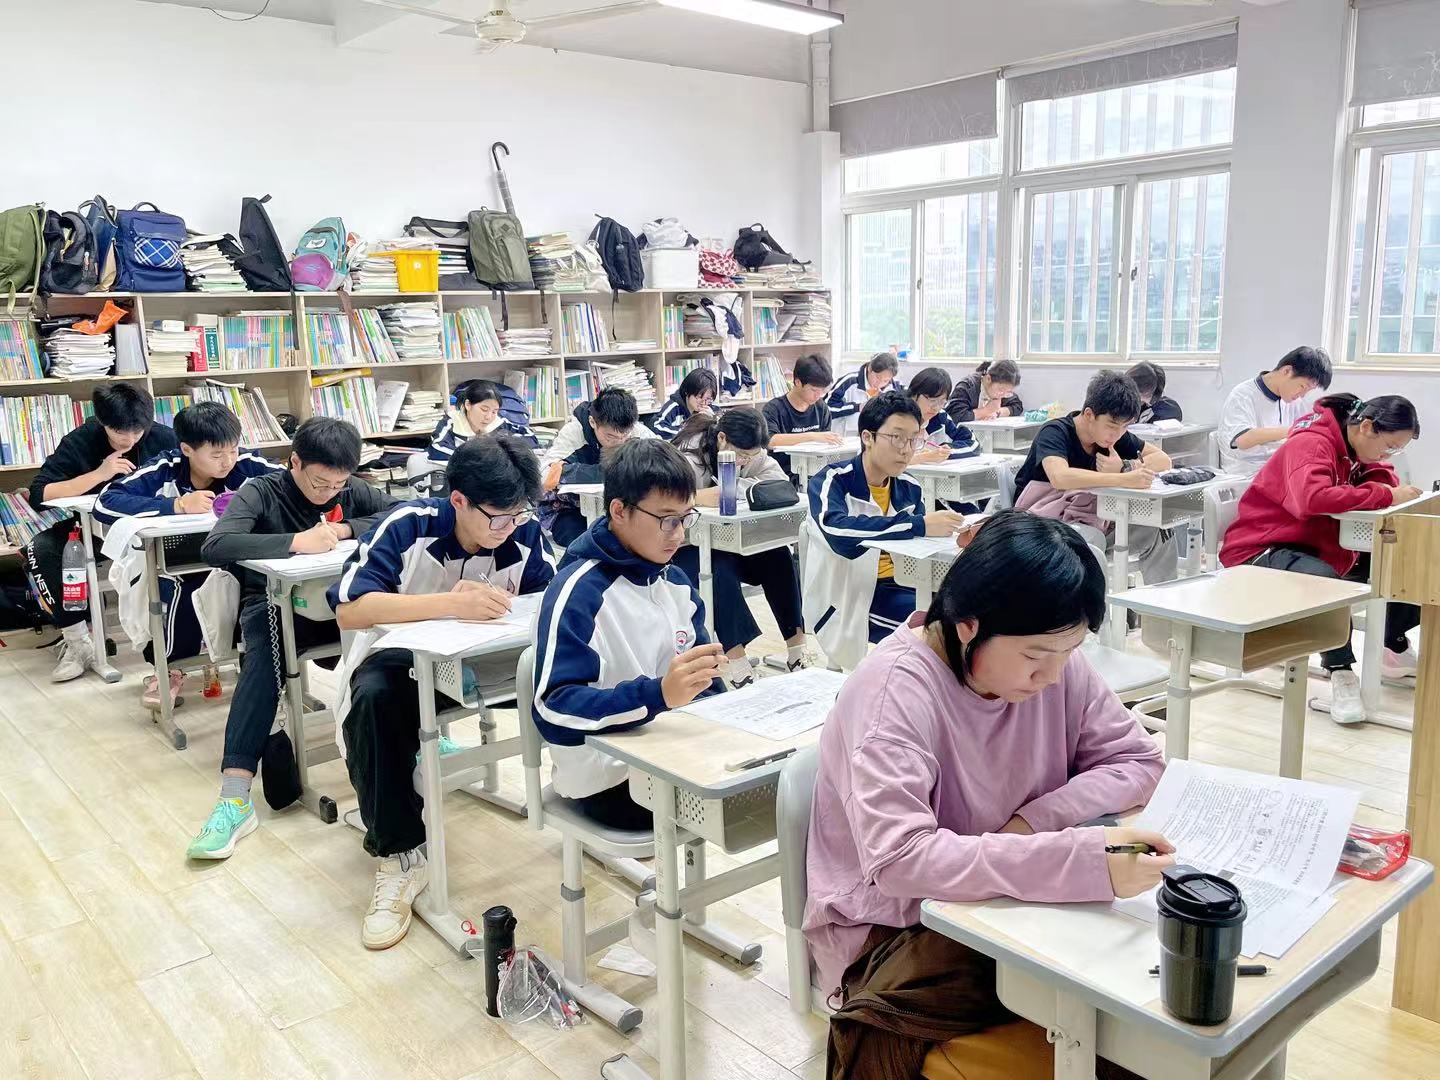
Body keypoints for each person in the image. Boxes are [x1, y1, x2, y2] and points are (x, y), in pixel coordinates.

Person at [805, 511, 1168, 1079]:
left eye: (1070, 651)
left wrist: (1034, 821)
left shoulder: (1053, 660)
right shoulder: (893, 695)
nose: (1053, 676)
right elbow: (901, 862)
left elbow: (1140, 761)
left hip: (1004, 895)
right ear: (968, 626)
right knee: (1125, 1039)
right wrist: (1075, 858)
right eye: (1035, 657)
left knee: (1152, 1008)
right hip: (902, 926)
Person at [328, 434, 555, 949]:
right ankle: (400, 854)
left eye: (518, 515)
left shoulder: (522, 529)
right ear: (458, 500)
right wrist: (448, 604)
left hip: (491, 661)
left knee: (573, 672)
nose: (509, 528)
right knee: (374, 701)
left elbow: (549, 596)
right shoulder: (408, 526)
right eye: (497, 518)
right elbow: (350, 609)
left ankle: (594, 801)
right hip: (405, 663)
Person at [187, 417, 396, 861]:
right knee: (263, 658)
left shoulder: (347, 490)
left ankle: (415, 741)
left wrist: (344, 529)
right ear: (294, 462)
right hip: (270, 604)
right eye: (320, 483)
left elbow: (399, 513)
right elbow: (216, 545)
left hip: (336, 606)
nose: (329, 493)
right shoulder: (260, 491)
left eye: (339, 484)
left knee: (393, 635)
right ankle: (235, 797)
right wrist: (297, 541)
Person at [533, 439, 724, 828]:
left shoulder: (676, 582)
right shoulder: (579, 591)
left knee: (785, 778)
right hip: (608, 774)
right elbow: (554, 708)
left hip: (673, 751)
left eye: (686, 518)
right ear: (619, 511)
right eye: (667, 520)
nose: (679, 535)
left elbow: (705, 681)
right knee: (751, 808)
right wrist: (658, 695)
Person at [1220, 394, 1423, 725]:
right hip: (1261, 548)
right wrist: (1385, 495)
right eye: (1389, 446)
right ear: (1366, 427)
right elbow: (1311, 499)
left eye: (1396, 450)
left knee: (1412, 560)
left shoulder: (1354, 446)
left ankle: (1393, 645)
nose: (1389, 455)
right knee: (1325, 582)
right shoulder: (1312, 443)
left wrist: (1381, 484)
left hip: (1318, 546)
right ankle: (1340, 671)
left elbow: (1384, 474)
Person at [95, 401, 283, 709]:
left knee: (258, 584)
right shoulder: (165, 468)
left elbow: (291, 481)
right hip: (176, 559)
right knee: (182, 587)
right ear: (186, 450)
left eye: (233, 450)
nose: (228, 461)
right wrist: (176, 505)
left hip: (233, 554)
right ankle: (170, 670)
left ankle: (255, 663)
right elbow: (106, 501)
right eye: (216, 455)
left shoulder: (246, 462)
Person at [24, 382, 178, 682]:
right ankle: (78, 642)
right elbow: (40, 494)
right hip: (94, 528)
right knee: (42, 549)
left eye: (138, 431)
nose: (129, 439)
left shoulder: (163, 437)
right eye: (120, 432)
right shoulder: (81, 440)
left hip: (155, 528)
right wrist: (99, 474)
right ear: (102, 421)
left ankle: (180, 637)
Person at [804, 392, 966, 671]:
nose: (906, 449)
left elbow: (920, 543)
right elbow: (838, 533)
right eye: (897, 438)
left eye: (913, 439)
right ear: (868, 437)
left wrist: (955, 537)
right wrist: (919, 524)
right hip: (852, 597)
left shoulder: (910, 487)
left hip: (905, 583)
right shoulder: (833, 481)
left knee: (971, 614)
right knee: (945, 631)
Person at [672, 408, 809, 686]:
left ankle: (797, 651)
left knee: (778, 556)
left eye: (752, 456)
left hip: (729, 541)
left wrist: (736, 487)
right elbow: (669, 500)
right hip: (685, 547)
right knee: (719, 570)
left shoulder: (752, 453)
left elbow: (779, 483)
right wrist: (699, 496)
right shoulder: (689, 458)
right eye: (741, 455)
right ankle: (738, 665)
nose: (746, 461)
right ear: (722, 438)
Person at [1012, 370, 1178, 586]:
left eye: (1125, 426)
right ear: (1089, 414)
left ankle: (1161, 603)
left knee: (1158, 529)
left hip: (1094, 518)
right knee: (1092, 540)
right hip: (1042, 525)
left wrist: (1125, 466)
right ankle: (1095, 607)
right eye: (1112, 426)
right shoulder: (1055, 432)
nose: (1118, 434)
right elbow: (1060, 477)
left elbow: (1163, 460)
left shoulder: (1113, 436)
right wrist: (1125, 478)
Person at [541, 387, 656, 546]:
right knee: (586, 542)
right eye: (610, 436)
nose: (619, 442)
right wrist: (609, 473)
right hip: (570, 509)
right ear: (592, 422)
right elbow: (546, 475)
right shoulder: (574, 432)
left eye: (625, 435)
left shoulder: (636, 431)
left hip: (620, 507)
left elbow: (668, 461)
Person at [1218, 346, 1332, 477]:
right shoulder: (1243, 395)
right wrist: (1295, 430)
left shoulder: (1293, 401)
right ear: (1286, 371)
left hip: (1280, 469)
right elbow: (1242, 440)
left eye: (1308, 391)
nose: (1302, 395)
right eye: (1302, 386)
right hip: (1246, 473)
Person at [763, 353, 840, 482]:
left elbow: (826, 443)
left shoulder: (821, 408)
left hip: (815, 473)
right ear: (798, 382)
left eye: (822, 391)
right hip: (782, 476)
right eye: (814, 390)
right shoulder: (774, 409)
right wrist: (812, 436)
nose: (818, 396)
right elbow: (770, 441)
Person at [427, 379, 538, 463]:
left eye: (494, 411)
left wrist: (504, 449)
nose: (489, 417)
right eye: (484, 409)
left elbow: (530, 438)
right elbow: (437, 449)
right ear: (468, 405)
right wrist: (475, 458)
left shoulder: (499, 423)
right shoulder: (452, 422)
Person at [905, 367, 980, 463]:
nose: (936, 408)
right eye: (932, 401)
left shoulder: (940, 418)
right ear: (914, 395)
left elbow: (973, 443)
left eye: (942, 402)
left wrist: (945, 451)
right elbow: (889, 459)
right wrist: (926, 457)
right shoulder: (897, 417)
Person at [828, 351, 901, 434]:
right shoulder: (849, 382)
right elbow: (827, 409)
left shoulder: (894, 388)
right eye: (877, 377)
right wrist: (857, 407)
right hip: (845, 437)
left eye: (885, 381)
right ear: (869, 368)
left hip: (876, 437)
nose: (879, 384)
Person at [944, 359, 1023, 423]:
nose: (1003, 395)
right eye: (1001, 390)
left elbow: (1017, 406)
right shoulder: (967, 387)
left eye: (1008, 392)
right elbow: (954, 415)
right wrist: (986, 411)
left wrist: (997, 412)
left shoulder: (1002, 392)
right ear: (988, 379)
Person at [651, 367, 718, 440]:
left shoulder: (711, 409)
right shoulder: (674, 407)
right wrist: (689, 432)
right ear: (687, 391)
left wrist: (712, 420)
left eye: (708, 399)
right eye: (699, 397)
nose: (703, 403)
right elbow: (656, 427)